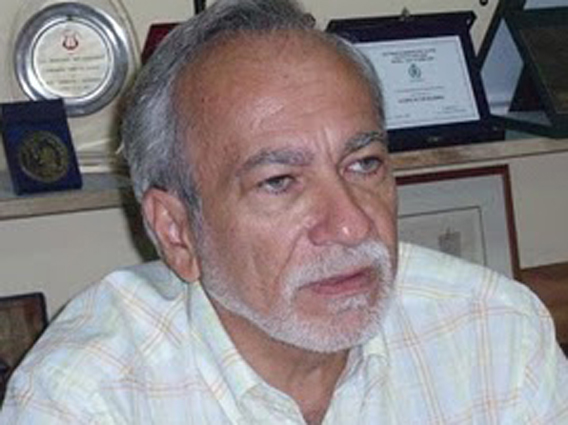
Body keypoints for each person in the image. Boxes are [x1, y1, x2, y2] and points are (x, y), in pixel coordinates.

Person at [2, 0, 568, 423]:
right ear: (177, 232)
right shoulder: (87, 400)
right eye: (279, 182)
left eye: (364, 164)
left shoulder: (496, 331)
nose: (351, 224)